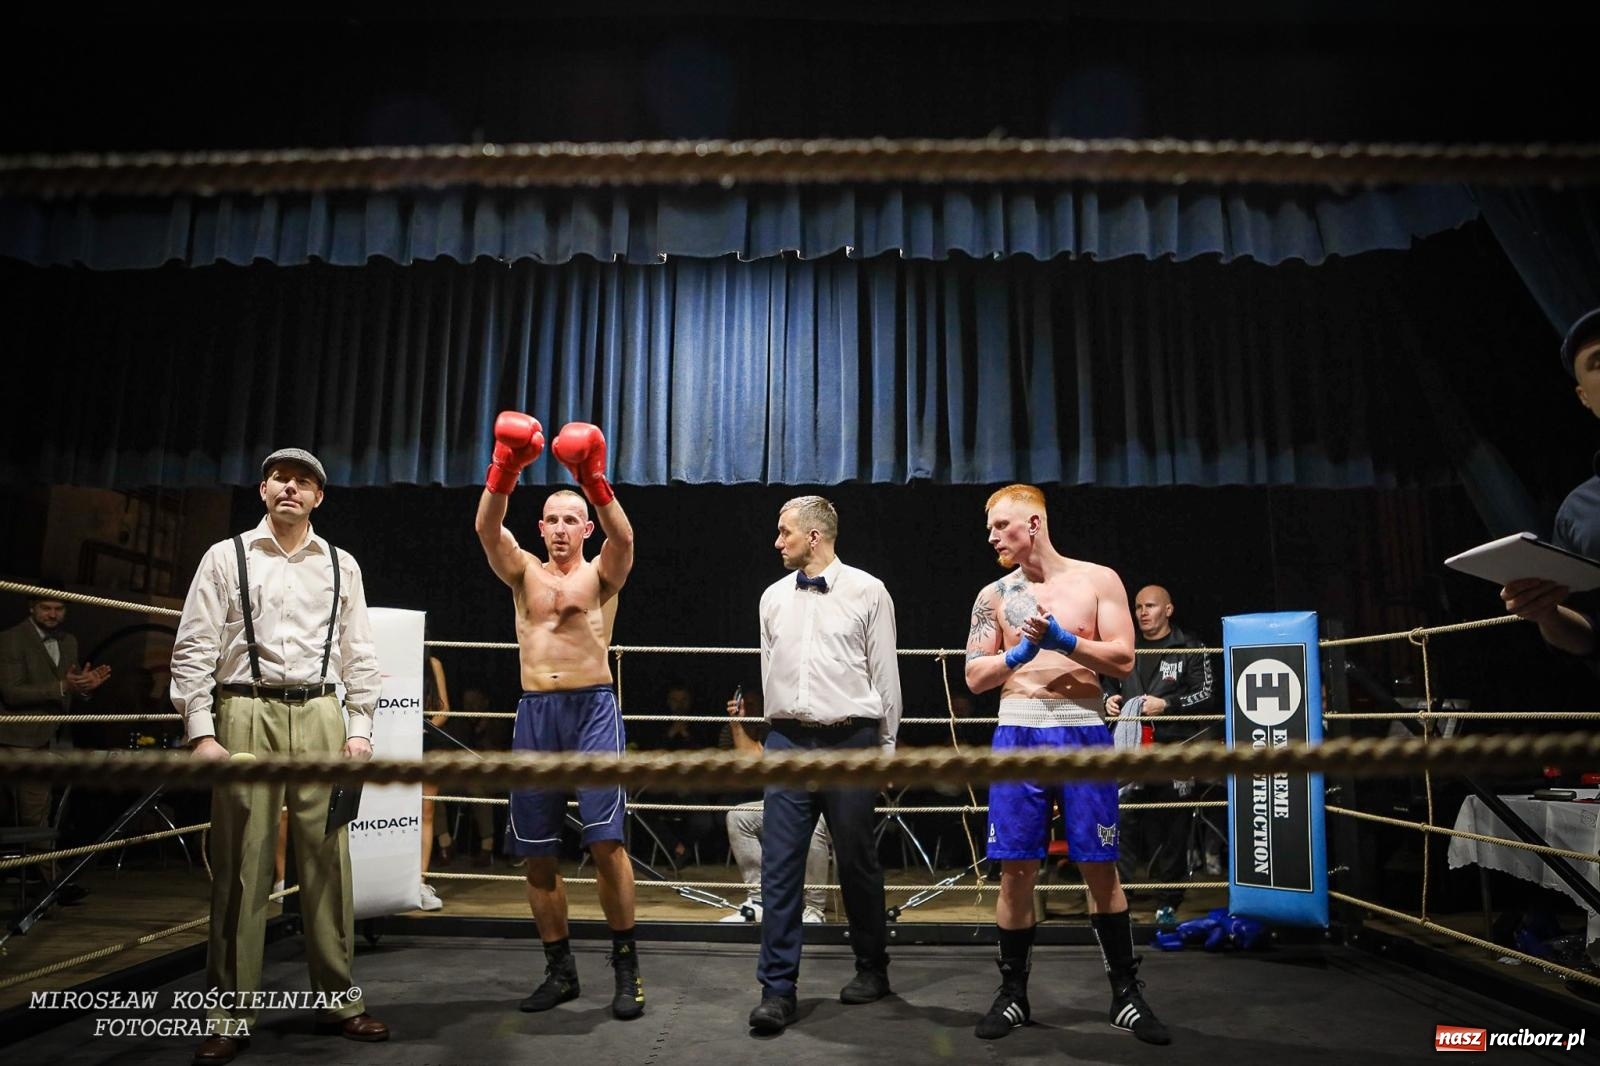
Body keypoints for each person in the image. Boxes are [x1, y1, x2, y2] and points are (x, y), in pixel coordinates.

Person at [171, 448, 388, 1064]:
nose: (290, 488)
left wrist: (360, 728)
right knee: (243, 863)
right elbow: (194, 647)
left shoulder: (342, 564)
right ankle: (228, 1013)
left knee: (327, 860)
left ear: (319, 496)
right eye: (280, 478)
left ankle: (340, 999)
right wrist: (201, 731)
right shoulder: (225, 556)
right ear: (264, 488)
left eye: (304, 482)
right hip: (244, 711)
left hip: (321, 710)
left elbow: (359, 653)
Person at [963, 484, 1170, 1046]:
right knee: (1015, 868)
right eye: (989, 527)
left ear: (1033, 524)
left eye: (1000, 524)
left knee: (1099, 864)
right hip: (1019, 728)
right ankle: (1012, 995)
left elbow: (1125, 661)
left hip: (1081, 728)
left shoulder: (1097, 580)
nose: (991, 536)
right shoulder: (995, 595)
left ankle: (1126, 994)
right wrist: (1018, 654)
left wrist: (1063, 640)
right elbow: (975, 677)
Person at [473, 411, 644, 1020]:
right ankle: (560, 971)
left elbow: (625, 542)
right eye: (554, 520)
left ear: (586, 527)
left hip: (593, 710)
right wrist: (505, 468)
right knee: (538, 854)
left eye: (574, 519)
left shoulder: (603, 574)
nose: (564, 529)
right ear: (540, 527)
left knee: (606, 845)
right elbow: (487, 528)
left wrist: (596, 481)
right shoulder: (523, 572)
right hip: (536, 715)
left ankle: (626, 970)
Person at [746, 495, 901, 1035]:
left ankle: (872, 968)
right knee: (780, 865)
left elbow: (886, 679)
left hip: (851, 740)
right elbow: (770, 673)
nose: (777, 541)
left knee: (857, 861)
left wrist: (885, 752)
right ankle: (777, 988)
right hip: (787, 741)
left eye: (785, 532)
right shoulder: (771, 598)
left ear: (815, 536)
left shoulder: (868, 591)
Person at [1101, 584, 1216, 929]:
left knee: (1173, 829)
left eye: (1149, 606)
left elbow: (1207, 695)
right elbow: (1107, 681)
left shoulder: (1191, 646)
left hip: (1173, 748)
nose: (1142, 613)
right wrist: (1108, 699)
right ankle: (1121, 898)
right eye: (1137, 607)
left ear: (1168, 609)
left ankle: (1168, 901)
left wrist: (1168, 705)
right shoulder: (1125, 647)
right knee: (1123, 823)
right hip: (1130, 749)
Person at [1502, 307, 1600, 661]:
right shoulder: (1578, 512)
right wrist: (1545, 611)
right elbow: (1588, 635)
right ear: (1583, 397)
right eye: (1599, 361)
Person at [0, 594, 110, 902]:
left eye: (58, 608)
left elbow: (69, 688)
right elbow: (11, 692)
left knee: (41, 815)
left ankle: (50, 883)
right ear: (31, 608)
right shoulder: (9, 639)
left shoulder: (69, 641)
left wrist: (84, 688)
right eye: (45, 608)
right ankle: (54, 884)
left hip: (52, 738)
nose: (52, 614)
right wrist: (65, 686)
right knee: (34, 817)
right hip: (16, 740)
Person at [718, 687, 831, 925]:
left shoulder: (831, 718)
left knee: (814, 819)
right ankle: (761, 900)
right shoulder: (779, 724)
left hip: (829, 799)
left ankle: (814, 907)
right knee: (739, 817)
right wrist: (737, 724)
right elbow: (754, 763)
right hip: (787, 798)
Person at [418, 654, 451, 910]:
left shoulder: (433, 663)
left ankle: (420, 879)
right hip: (393, 741)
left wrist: (423, 728)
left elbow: (444, 710)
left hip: (427, 742)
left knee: (426, 812)